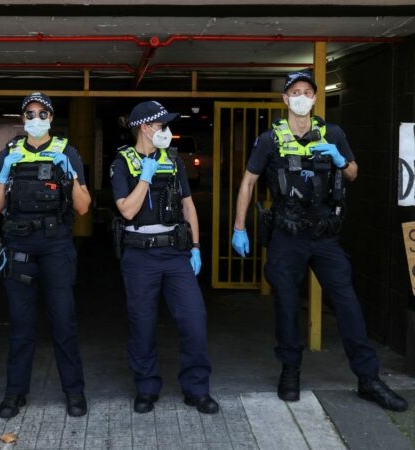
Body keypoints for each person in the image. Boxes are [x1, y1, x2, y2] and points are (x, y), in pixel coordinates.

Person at [231, 71, 408, 412]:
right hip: (287, 237)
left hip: (325, 237)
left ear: (315, 98)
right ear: (285, 99)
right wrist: (240, 227)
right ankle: (290, 371)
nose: (300, 96)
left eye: (307, 91)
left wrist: (341, 161)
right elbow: (248, 182)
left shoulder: (334, 133)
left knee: (348, 304)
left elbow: (354, 172)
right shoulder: (270, 139)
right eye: (294, 91)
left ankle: (368, 379)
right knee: (286, 307)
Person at [109, 100, 218, 415]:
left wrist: (196, 247)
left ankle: (196, 389)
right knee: (142, 324)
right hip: (140, 255)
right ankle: (146, 388)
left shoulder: (173, 160)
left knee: (194, 320)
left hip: (175, 253)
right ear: (145, 127)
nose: (167, 132)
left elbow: (188, 205)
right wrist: (145, 176)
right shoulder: (121, 162)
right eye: (162, 126)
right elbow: (127, 209)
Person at [0, 92, 91, 419]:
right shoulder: (10, 152)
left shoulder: (66, 151)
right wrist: (3, 176)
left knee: (63, 321)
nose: (34, 119)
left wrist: (70, 176)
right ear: (22, 118)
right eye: (29, 114)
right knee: (21, 324)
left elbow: (83, 206)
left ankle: (74, 393)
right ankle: (14, 393)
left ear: (50, 117)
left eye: (41, 113)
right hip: (19, 243)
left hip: (55, 243)